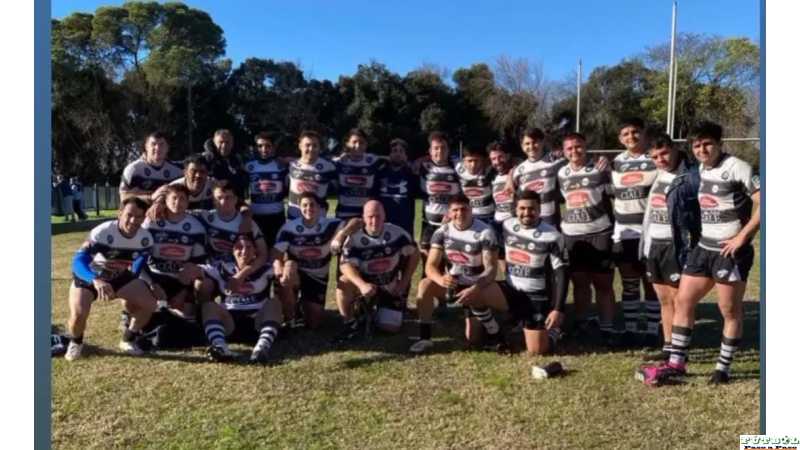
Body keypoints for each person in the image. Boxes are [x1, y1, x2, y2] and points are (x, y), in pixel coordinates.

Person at [638, 121, 760, 386]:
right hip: (703, 249)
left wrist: (742, 237)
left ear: (719, 144)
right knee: (683, 301)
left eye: (707, 144)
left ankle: (722, 368)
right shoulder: (697, 172)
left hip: (729, 252)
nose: (702, 149)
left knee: (728, 310)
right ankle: (676, 364)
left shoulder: (737, 166)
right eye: (697, 145)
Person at [410, 194, 509, 354]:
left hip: (476, 286)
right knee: (425, 285)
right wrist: (441, 279)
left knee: (473, 339)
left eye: (464, 209)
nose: (460, 213)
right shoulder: (442, 232)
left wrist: (475, 288)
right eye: (455, 210)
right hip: (454, 285)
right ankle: (425, 338)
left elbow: (491, 270)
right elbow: (430, 266)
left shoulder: (485, 232)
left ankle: (493, 328)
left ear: (471, 210)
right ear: (449, 213)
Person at [64, 197, 158, 360]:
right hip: (90, 275)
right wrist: (95, 279)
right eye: (129, 215)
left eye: (139, 217)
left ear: (144, 218)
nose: (133, 220)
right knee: (78, 315)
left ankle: (128, 339)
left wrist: (132, 280)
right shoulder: (103, 231)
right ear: (120, 213)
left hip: (117, 275)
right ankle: (76, 342)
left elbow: (139, 262)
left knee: (150, 304)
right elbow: (78, 261)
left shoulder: (145, 238)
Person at [638, 132, 701, 361]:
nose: (660, 159)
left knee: (679, 300)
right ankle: (668, 345)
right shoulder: (657, 174)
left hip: (677, 246)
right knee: (664, 298)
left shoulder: (692, 175)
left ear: (674, 149)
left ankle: (680, 349)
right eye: (655, 157)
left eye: (664, 153)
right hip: (654, 244)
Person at [557, 132, 617, 344]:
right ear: (564, 152)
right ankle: (583, 322)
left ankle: (607, 327)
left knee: (603, 284)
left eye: (578, 146)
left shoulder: (598, 168)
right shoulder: (561, 172)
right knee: (580, 283)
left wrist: (610, 171)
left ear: (585, 147)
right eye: (569, 148)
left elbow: (616, 190)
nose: (574, 151)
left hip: (599, 232)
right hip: (572, 235)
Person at [335, 200, 419, 341]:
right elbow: (344, 265)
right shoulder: (354, 238)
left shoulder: (397, 233)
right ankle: (349, 322)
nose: (374, 221)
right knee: (344, 282)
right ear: (363, 217)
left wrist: (404, 282)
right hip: (366, 287)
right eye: (370, 217)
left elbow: (415, 254)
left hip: (389, 286)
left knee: (391, 327)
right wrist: (362, 285)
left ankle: (370, 314)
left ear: (384, 215)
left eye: (378, 216)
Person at [611, 118, 660, 347]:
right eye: (626, 133)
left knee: (650, 283)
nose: (631, 136)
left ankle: (652, 331)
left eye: (635, 132)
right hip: (624, 232)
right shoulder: (615, 163)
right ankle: (630, 330)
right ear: (620, 139)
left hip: (650, 232)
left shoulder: (655, 158)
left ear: (644, 133)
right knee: (629, 284)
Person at [500, 191, 569, 355]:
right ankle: (495, 333)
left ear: (539, 209)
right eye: (522, 208)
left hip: (536, 297)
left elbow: (562, 274)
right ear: (515, 209)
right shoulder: (507, 225)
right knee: (477, 292)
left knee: (537, 351)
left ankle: (554, 331)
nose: (527, 213)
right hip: (511, 290)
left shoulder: (552, 235)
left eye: (532, 208)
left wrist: (558, 309)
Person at [197, 235, 282, 363]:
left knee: (274, 303)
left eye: (249, 247)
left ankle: (261, 349)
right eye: (239, 247)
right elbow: (198, 269)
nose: (244, 251)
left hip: (257, 321)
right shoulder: (222, 267)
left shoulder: (265, 268)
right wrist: (188, 270)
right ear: (232, 251)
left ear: (255, 251)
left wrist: (281, 265)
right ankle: (220, 347)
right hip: (229, 321)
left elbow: (282, 272)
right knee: (208, 306)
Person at [272, 192, 343, 329]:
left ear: (319, 207)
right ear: (299, 207)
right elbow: (276, 253)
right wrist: (278, 267)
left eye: (312, 205)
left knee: (314, 323)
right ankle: (290, 320)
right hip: (297, 273)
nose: (308, 208)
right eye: (304, 205)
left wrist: (341, 235)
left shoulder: (330, 224)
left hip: (318, 277)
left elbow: (355, 222)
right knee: (289, 266)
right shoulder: (289, 227)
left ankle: (301, 304)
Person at [141, 184, 207, 318]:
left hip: (180, 280)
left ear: (188, 202)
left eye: (182, 199)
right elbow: (139, 257)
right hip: (154, 275)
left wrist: (184, 291)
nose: (178, 202)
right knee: (140, 306)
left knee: (188, 314)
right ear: (165, 200)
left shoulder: (196, 228)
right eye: (174, 198)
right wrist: (152, 284)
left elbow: (198, 264)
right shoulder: (152, 222)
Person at [506, 128, 568, 226]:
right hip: (529, 219)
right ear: (522, 146)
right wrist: (510, 176)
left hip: (550, 220)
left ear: (542, 142)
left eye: (535, 142)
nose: (531, 146)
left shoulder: (556, 161)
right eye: (527, 143)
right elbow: (514, 196)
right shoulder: (518, 171)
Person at [418, 131, 461, 260]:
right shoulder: (422, 167)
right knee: (427, 262)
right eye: (436, 148)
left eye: (443, 148)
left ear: (448, 150)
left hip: (452, 223)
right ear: (430, 151)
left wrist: (451, 214)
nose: (440, 151)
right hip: (428, 224)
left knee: (450, 262)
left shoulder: (457, 168)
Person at [244, 132, 289, 248]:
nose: (264, 149)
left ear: (273, 147)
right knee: (259, 251)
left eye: (268, 146)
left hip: (277, 216)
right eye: (260, 146)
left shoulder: (281, 165)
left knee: (277, 251)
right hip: (257, 216)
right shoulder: (249, 166)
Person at [333, 128, 384, 219]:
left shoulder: (373, 161)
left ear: (366, 144)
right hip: (344, 213)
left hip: (366, 214)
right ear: (347, 143)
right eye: (354, 142)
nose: (358, 145)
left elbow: (392, 159)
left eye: (361, 142)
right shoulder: (339, 162)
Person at [286, 130, 337, 220]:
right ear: (300, 146)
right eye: (307, 145)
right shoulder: (291, 165)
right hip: (294, 217)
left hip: (318, 219)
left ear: (319, 147)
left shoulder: (329, 167)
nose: (311, 149)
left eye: (315, 145)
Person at [120, 131, 182, 203]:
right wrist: (151, 197)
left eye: (161, 144)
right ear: (146, 147)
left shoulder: (177, 170)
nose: (157, 148)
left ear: (167, 147)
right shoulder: (134, 169)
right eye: (153, 144)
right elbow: (123, 197)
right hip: (142, 209)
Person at [376, 138, 419, 236]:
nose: (398, 154)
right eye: (394, 151)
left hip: (404, 224)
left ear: (406, 155)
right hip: (383, 222)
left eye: (401, 151)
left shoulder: (412, 174)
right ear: (389, 154)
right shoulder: (380, 173)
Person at [150, 155, 215, 211]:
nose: (198, 175)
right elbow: (155, 205)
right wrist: (157, 204)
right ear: (185, 173)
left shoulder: (214, 186)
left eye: (202, 171)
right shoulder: (173, 188)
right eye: (193, 171)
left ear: (207, 173)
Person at [201, 129, 248, 198]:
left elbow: (246, 179)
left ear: (232, 143)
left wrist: (228, 182)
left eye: (227, 142)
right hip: (211, 200)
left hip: (235, 200)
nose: (224, 146)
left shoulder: (239, 158)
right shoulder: (205, 159)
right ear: (214, 142)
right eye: (221, 142)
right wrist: (212, 181)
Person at [456, 146, 495, 224]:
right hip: (468, 217)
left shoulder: (490, 169)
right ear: (463, 161)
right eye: (470, 161)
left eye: (476, 161)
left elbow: (512, 162)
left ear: (482, 160)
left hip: (488, 216)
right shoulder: (458, 169)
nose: (473, 165)